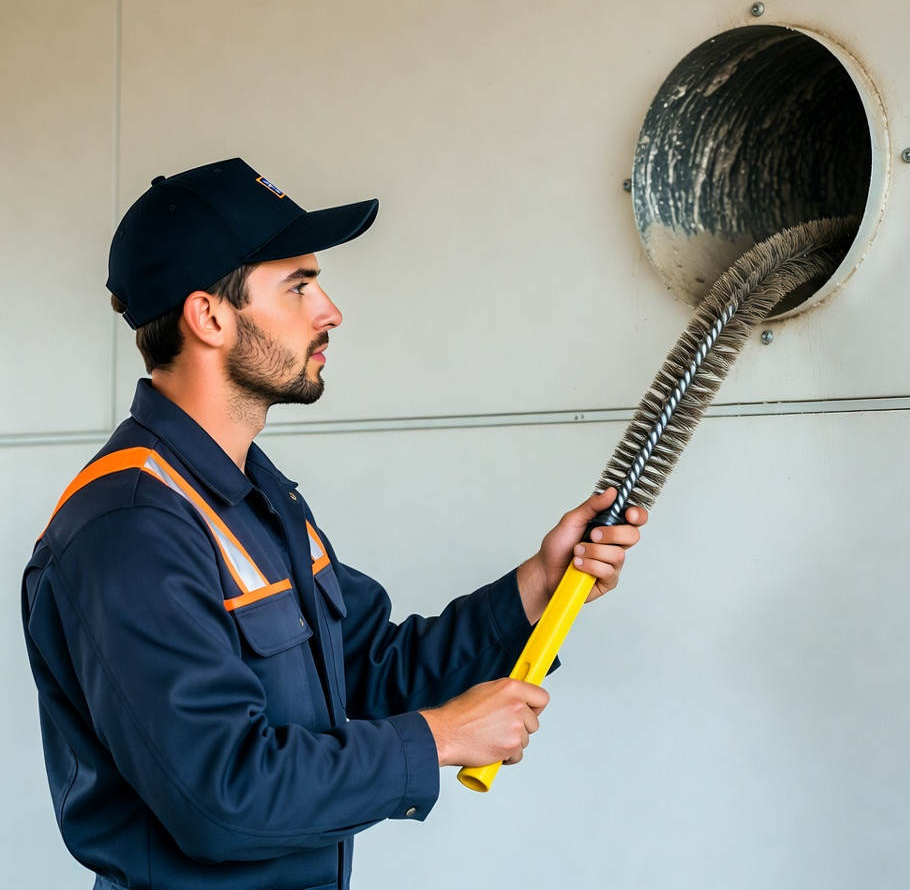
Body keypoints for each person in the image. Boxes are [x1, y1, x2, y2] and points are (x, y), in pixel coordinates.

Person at [21, 158, 646, 890]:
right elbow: (222, 796)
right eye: (298, 286)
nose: (330, 311)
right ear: (210, 316)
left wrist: (534, 589)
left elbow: (368, 673)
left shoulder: (258, 498)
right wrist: (440, 738)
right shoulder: (127, 530)